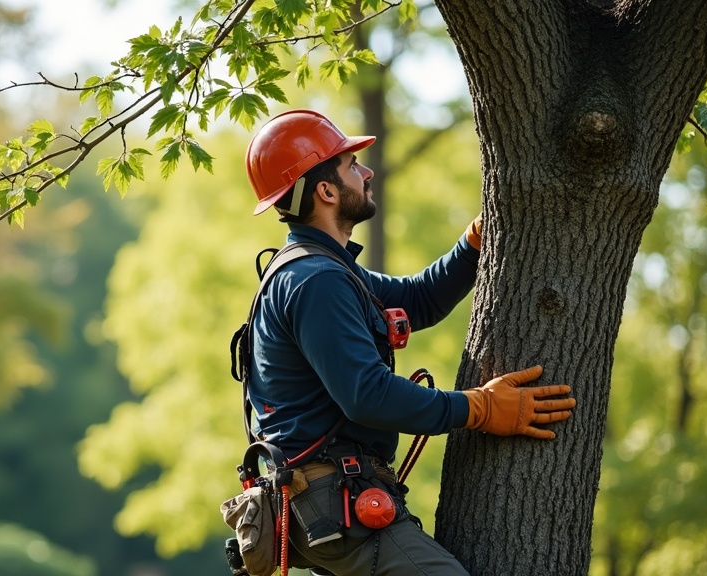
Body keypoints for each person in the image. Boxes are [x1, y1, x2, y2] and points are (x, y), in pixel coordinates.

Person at [242, 109, 576, 575]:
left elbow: (419, 300)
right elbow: (368, 396)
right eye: (351, 165)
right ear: (326, 191)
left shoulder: (329, 271)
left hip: (326, 496)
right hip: (330, 495)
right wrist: (477, 408)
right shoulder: (316, 280)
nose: (366, 170)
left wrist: (476, 241)